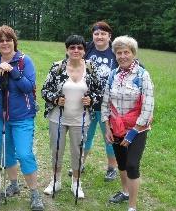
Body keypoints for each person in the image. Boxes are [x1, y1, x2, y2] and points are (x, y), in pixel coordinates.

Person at [0, 25, 44, 211]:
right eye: (1, 40)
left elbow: (29, 87)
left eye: (8, 39)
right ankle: (14, 184)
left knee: (24, 154)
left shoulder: (25, 61)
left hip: (22, 116)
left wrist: (12, 72)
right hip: (1, 117)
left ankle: (34, 193)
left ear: (14, 41)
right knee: (6, 154)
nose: (5, 43)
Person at [41, 35, 103, 199]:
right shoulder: (57, 67)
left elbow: (99, 92)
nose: (76, 50)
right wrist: (55, 99)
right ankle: (56, 181)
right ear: (67, 49)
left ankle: (76, 183)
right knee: (56, 150)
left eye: (79, 48)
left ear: (84, 50)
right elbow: (44, 90)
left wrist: (91, 100)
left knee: (78, 151)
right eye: (72, 47)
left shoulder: (91, 68)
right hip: (58, 118)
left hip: (81, 119)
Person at [102, 36, 154, 211]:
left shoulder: (142, 75)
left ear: (133, 53)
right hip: (116, 127)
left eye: (126, 52)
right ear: (115, 55)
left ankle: (132, 206)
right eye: (119, 52)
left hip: (137, 129)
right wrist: (107, 127)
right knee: (122, 163)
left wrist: (134, 131)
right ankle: (125, 192)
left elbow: (148, 105)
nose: (123, 56)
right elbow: (106, 102)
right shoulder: (113, 74)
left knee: (132, 165)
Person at [82, 21, 119, 181]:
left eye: (103, 34)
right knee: (85, 136)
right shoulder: (87, 48)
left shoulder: (116, 51)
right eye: (96, 33)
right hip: (88, 102)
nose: (99, 37)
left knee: (109, 138)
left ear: (109, 36)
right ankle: (79, 164)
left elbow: (132, 64)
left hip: (108, 104)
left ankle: (112, 168)